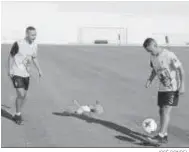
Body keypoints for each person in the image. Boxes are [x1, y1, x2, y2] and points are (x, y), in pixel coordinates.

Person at [143, 38, 185, 144]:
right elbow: (154, 69)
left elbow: (181, 69)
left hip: (172, 88)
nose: (150, 53)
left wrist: (182, 85)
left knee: (166, 110)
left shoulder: (169, 55)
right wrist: (150, 80)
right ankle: (164, 135)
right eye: (148, 51)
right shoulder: (152, 57)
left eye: (150, 50)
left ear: (155, 45)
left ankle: (160, 136)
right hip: (162, 88)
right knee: (161, 110)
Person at [8, 26, 43, 125]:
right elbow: (11, 56)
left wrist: (39, 70)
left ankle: (17, 112)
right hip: (16, 72)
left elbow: (34, 58)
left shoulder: (35, 45)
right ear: (27, 34)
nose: (34, 36)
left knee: (24, 96)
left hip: (26, 74)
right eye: (32, 35)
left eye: (35, 34)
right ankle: (18, 115)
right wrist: (10, 69)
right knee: (21, 94)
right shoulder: (18, 43)